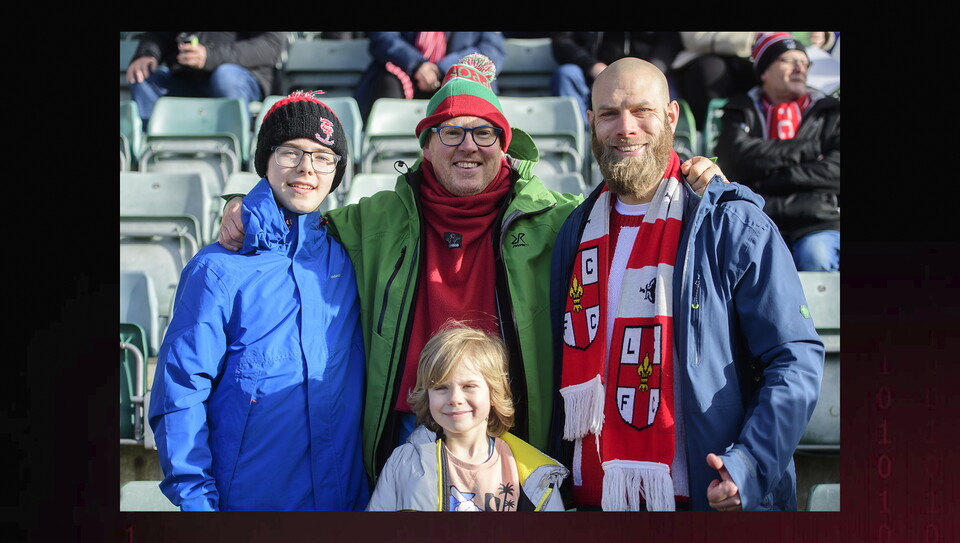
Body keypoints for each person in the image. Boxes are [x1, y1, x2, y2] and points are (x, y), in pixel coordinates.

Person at [218, 54, 725, 485]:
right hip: (410, 432)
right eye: (451, 131)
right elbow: (301, 221)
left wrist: (690, 176)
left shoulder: (554, 218)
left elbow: (631, 203)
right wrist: (247, 205)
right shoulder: (377, 219)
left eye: (484, 133)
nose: (468, 145)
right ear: (426, 144)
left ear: (504, 143)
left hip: (511, 431)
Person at [549, 57, 824, 511]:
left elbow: (794, 359)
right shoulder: (575, 231)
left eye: (642, 111)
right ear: (590, 121)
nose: (626, 128)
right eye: (609, 114)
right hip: (590, 504)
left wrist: (748, 466)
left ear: (672, 117)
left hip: (705, 502)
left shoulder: (730, 221)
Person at [148, 91, 370, 511]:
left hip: (346, 506)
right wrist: (198, 507)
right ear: (265, 161)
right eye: (291, 152)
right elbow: (180, 395)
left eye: (324, 158)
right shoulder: (216, 269)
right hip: (249, 509)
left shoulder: (349, 255)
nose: (307, 168)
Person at [366, 323, 568, 511]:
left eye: (469, 386)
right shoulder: (404, 462)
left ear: (493, 393)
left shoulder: (535, 477)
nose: (455, 399)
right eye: (441, 387)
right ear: (427, 395)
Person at [714, 32, 840, 272]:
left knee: (816, 255)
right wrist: (812, 149)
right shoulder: (741, 109)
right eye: (789, 61)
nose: (799, 69)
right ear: (764, 72)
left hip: (817, 219)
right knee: (746, 262)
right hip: (760, 218)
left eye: (804, 63)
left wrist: (767, 176)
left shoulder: (829, 111)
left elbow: (835, 171)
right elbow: (733, 160)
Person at [125, 32, 284, 125]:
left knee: (225, 76)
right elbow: (158, 35)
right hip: (184, 77)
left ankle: (235, 152)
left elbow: (271, 45)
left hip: (241, 77)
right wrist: (147, 54)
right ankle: (151, 152)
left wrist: (211, 57)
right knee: (142, 76)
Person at [353, 32, 505, 121]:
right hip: (404, 73)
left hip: (459, 75)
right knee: (387, 84)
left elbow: (491, 50)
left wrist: (443, 68)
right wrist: (418, 66)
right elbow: (383, 39)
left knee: (472, 95)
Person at [550, 32, 683, 125]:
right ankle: (584, 138)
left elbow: (670, 41)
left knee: (664, 85)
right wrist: (592, 66)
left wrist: (650, 70)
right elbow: (562, 41)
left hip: (647, 76)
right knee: (566, 74)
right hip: (593, 74)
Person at [671, 32, 760, 132]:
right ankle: (707, 135)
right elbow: (695, 38)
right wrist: (751, 38)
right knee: (710, 71)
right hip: (703, 58)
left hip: (753, 59)